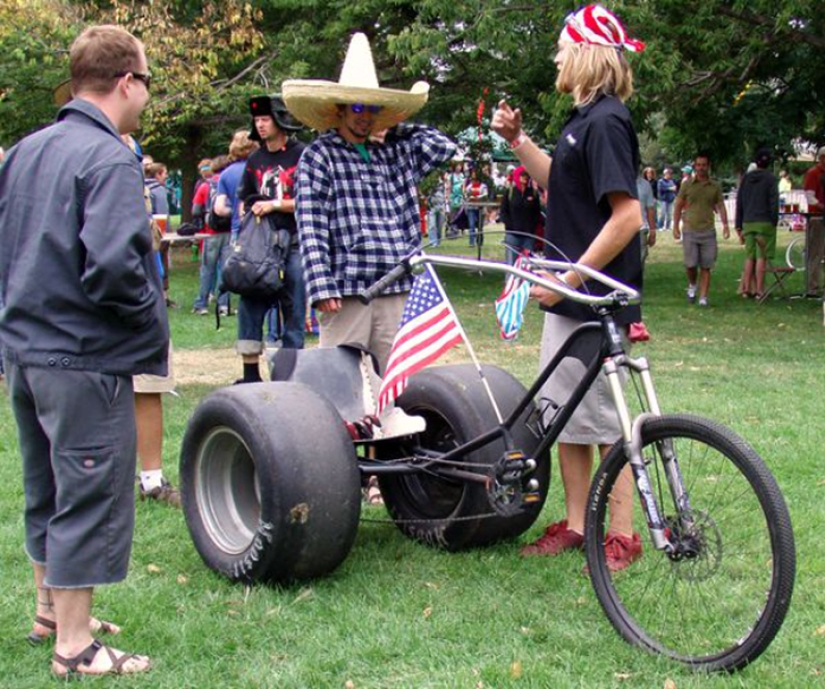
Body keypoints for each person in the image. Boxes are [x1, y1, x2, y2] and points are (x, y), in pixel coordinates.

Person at [0, 24, 164, 677]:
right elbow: (116, 268)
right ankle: (74, 645)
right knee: (88, 490)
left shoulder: (25, 151)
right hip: (81, 353)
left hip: (26, 352)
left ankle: (51, 610)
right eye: (147, 80)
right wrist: (143, 316)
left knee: (47, 483)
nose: (146, 93)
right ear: (126, 80)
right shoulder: (108, 157)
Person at [492, 4, 645, 571]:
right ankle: (580, 525)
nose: (556, 56)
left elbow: (627, 217)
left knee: (607, 423)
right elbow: (564, 184)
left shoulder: (606, 121)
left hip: (593, 298)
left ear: (585, 52)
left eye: (562, 46)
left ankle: (622, 536)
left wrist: (571, 280)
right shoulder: (583, 119)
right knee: (567, 418)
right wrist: (518, 140)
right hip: (570, 294)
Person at [285, 31, 456, 375]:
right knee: (342, 386)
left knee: (400, 382)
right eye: (358, 107)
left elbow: (444, 147)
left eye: (373, 108)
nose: (365, 116)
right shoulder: (320, 155)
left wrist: (394, 128)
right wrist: (320, 285)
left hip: (397, 283)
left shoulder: (395, 150)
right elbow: (311, 223)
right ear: (341, 109)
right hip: (347, 290)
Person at [235, 94, 306, 381]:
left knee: (294, 306)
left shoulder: (302, 154)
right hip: (261, 246)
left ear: (279, 120)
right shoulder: (255, 159)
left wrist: (275, 204)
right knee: (249, 303)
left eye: (266, 119)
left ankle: (289, 377)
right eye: (257, 120)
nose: (261, 125)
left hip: (293, 242)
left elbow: (309, 201)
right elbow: (244, 196)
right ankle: (250, 374)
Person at [673, 153, 730, 306]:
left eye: (704, 165)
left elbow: (721, 206)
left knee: (706, 265)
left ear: (708, 166)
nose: (701, 168)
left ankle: (703, 297)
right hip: (690, 229)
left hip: (708, 231)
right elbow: (678, 204)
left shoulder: (715, 186)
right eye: (698, 165)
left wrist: (725, 225)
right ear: (694, 167)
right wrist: (675, 226)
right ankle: (692, 285)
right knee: (691, 265)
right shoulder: (687, 184)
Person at [735, 148, 779, 298]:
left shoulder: (746, 178)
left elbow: (739, 201)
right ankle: (760, 290)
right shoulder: (771, 179)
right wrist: (774, 220)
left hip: (748, 221)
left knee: (749, 256)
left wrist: (738, 223)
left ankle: (746, 289)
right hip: (765, 221)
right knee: (762, 256)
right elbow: (773, 202)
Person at [191, 155, 232, 315]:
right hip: (228, 230)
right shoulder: (230, 183)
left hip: (210, 232)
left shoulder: (205, 186)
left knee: (207, 269)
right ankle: (223, 305)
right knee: (225, 269)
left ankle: (201, 304)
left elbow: (195, 210)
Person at [500, 165, 541, 264]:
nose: (525, 177)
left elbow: (537, 213)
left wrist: (532, 227)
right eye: (522, 174)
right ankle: (510, 279)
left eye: (527, 175)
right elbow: (504, 212)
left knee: (527, 264)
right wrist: (510, 226)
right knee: (511, 263)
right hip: (513, 234)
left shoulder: (533, 193)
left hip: (528, 235)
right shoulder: (509, 192)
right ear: (517, 175)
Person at [802, 146, 825, 295]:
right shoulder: (813, 173)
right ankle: (812, 286)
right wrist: (822, 206)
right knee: (815, 253)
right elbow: (810, 197)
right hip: (817, 217)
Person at [637, 168, 658, 262]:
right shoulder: (618, 182)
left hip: (641, 228)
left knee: (640, 260)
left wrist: (652, 231)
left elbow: (650, 209)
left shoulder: (645, 185)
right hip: (621, 230)